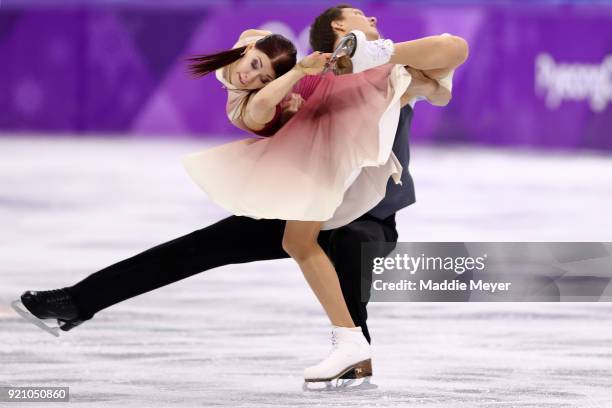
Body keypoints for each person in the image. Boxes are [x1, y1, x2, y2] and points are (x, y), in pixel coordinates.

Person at [13, 5, 467, 386]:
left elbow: (451, 48)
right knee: (197, 248)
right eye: (358, 15)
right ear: (339, 30)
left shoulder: (393, 66)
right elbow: (251, 95)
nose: (371, 14)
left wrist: (376, 54)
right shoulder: (302, 76)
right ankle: (76, 301)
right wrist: (287, 77)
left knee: (349, 245)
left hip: (366, 217)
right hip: (300, 206)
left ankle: (354, 353)